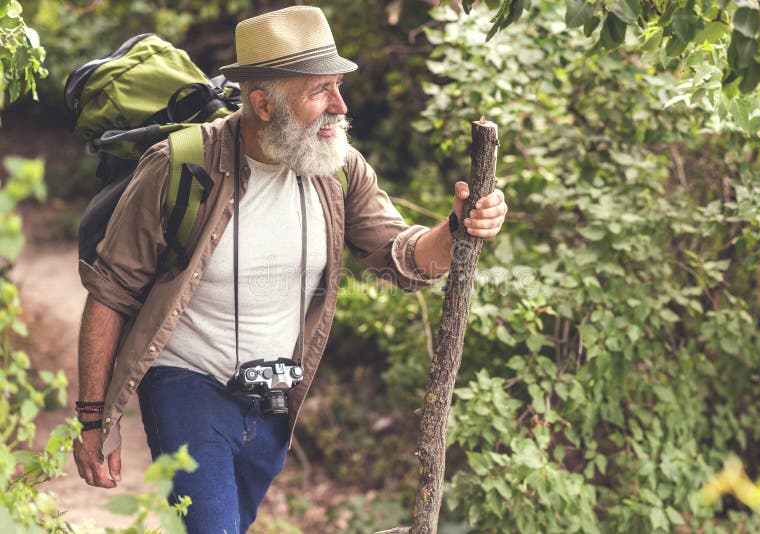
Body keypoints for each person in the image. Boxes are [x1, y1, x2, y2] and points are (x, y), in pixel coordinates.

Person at [72, 5, 508, 533]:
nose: (340, 106)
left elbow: (403, 258)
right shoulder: (180, 165)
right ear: (262, 103)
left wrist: (456, 227)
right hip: (184, 383)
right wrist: (95, 419)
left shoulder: (339, 168)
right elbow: (110, 293)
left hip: (275, 400)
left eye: (339, 87)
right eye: (320, 90)